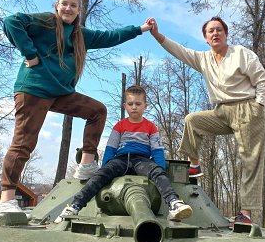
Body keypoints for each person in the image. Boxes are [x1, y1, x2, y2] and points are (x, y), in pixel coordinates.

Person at [0, 0, 152, 219]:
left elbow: (110, 36)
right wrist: (30, 54)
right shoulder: (46, 22)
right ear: (57, 5)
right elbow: (11, 21)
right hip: (34, 89)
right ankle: (5, 200)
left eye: (73, 5)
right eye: (64, 3)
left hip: (60, 92)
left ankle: (85, 165)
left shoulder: (80, 35)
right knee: (24, 142)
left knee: (97, 111)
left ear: (79, 10)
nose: (68, 8)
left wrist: (140, 29)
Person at [148, 16, 265, 225]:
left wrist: (258, 105)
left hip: (247, 108)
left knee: (249, 160)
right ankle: (194, 165)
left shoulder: (241, 54)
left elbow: (263, 80)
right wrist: (156, 35)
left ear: (226, 34)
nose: (215, 33)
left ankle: (246, 214)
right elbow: (180, 51)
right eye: (210, 31)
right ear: (205, 38)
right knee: (193, 121)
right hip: (222, 110)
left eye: (219, 30)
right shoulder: (203, 59)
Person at [56, 85, 193, 222]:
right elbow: (111, 147)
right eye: (130, 104)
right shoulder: (120, 126)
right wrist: (106, 166)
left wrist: (160, 167)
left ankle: (174, 203)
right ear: (125, 106)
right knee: (100, 176)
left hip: (142, 160)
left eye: (138, 104)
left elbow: (157, 149)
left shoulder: (151, 127)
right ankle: (75, 205)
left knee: (158, 173)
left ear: (145, 106)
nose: (134, 107)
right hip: (121, 159)